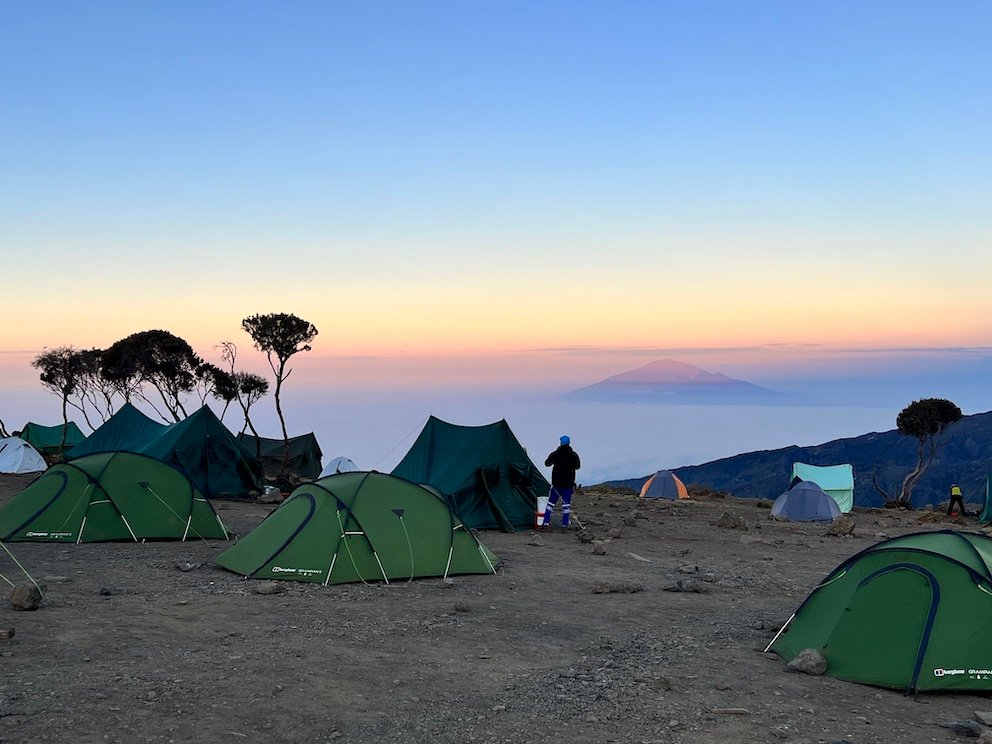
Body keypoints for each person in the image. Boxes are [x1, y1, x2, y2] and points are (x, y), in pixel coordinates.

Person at [543, 435, 581, 530]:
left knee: (550, 504)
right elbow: (577, 466)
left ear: (561, 442)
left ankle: (545, 523)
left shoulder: (555, 454)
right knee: (566, 505)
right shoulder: (574, 455)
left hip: (557, 484)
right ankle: (564, 525)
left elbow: (547, 463)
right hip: (568, 484)